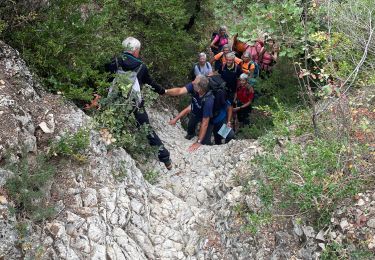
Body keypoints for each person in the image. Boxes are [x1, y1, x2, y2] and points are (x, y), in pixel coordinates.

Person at [105, 37, 172, 170]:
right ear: (135, 50)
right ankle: (165, 158)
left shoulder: (115, 61)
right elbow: (150, 82)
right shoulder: (141, 66)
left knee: (112, 124)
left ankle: (108, 151)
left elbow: (106, 77)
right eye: (138, 50)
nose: (139, 52)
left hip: (116, 100)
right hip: (134, 102)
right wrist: (162, 91)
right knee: (146, 128)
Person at [165, 75, 214, 151]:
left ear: (199, 89)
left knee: (205, 142)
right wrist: (164, 91)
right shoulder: (194, 87)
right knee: (190, 126)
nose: (192, 82)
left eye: (195, 82)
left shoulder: (208, 100)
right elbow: (180, 91)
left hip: (209, 117)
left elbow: (205, 123)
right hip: (196, 113)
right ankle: (191, 135)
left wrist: (198, 142)